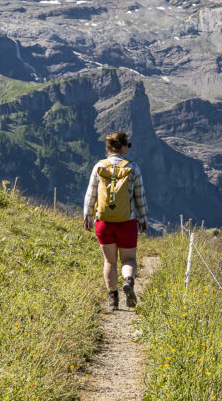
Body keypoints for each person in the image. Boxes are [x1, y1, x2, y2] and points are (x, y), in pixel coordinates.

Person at [83, 130, 148, 310]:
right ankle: (128, 280)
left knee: (109, 261)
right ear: (122, 146)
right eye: (128, 145)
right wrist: (143, 219)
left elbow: (91, 195)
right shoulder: (133, 168)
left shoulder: (99, 166)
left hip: (103, 222)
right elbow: (140, 197)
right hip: (127, 222)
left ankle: (113, 299)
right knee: (129, 260)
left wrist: (88, 217)